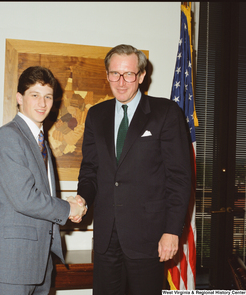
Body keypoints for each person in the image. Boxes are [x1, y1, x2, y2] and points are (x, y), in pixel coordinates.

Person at [76, 44, 191, 294]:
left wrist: (172, 231)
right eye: (114, 73)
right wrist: (82, 199)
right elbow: (90, 170)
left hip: (148, 237)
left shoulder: (166, 113)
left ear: (140, 76)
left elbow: (179, 178)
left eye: (128, 74)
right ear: (107, 75)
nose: (121, 81)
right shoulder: (96, 115)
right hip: (106, 238)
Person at [0, 66, 86, 295]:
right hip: (9, 268)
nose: (42, 103)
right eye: (34, 95)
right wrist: (69, 208)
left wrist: (71, 207)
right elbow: (24, 198)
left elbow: (42, 200)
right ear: (19, 98)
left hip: (39, 267)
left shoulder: (41, 143)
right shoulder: (8, 136)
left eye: (47, 97)